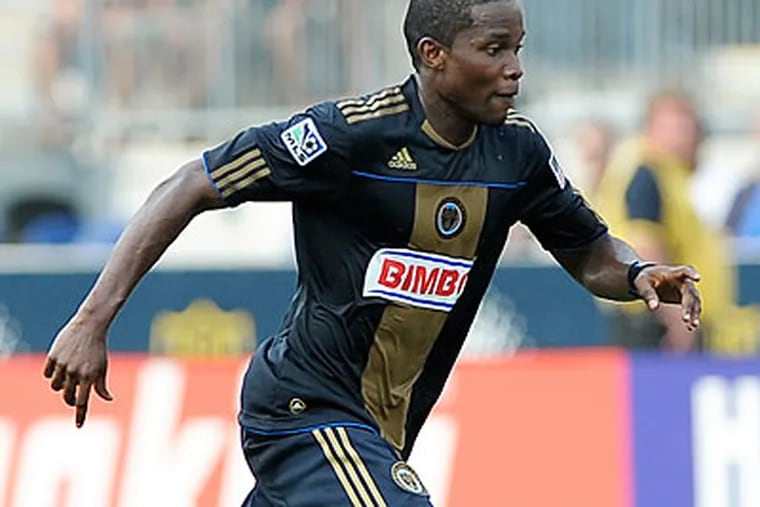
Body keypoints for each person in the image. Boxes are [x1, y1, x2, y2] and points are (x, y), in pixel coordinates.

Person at [44, 1, 702, 505]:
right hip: (305, 409)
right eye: (493, 49)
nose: (514, 68)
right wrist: (92, 319)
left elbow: (589, 252)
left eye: (518, 48)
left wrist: (639, 272)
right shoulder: (350, 137)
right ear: (434, 54)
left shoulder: (518, 154)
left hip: (382, 431)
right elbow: (192, 182)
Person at [595, 90, 757, 353]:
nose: (691, 138)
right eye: (679, 128)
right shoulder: (646, 172)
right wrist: (677, 316)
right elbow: (646, 244)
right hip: (657, 321)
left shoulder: (664, 174)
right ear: (652, 129)